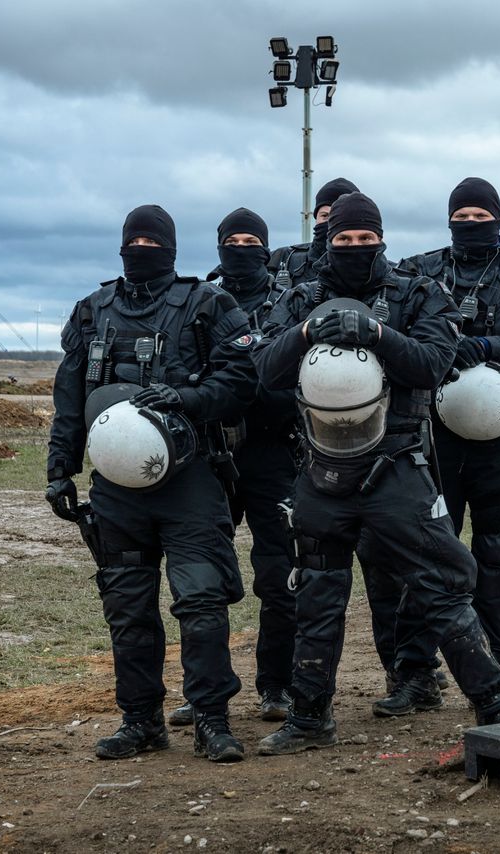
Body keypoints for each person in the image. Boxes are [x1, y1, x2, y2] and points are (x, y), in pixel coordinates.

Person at [251, 191, 500, 755]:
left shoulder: (418, 294)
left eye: (364, 239)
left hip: (396, 467)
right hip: (322, 472)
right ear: (330, 240)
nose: (354, 248)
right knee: (318, 594)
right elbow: (263, 371)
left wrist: (376, 333)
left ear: (381, 239)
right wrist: (307, 332)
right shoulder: (301, 297)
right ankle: (308, 716)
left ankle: (493, 699)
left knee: (442, 585)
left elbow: (432, 364)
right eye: (344, 239)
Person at [45, 204, 258, 763]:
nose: (142, 251)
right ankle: (140, 721)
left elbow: (242, 382)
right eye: (133, 242)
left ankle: (212, 720)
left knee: (202, 602)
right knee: (128, 609)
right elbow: (68, 397)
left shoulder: (209, 305)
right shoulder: (92, 312)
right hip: (116, 489)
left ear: (171, 249)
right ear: (121, 247)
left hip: (192, 483)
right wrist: (59, 470)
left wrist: (186, 399)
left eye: (151, 243)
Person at [367, 177, 500, 717]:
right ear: (448, 218)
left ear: (498, 218)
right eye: (462, 215)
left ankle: (494, 672)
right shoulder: (416, 272)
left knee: (496, 556)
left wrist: (478, 346)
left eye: (481, 215)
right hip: (428, 438)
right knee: (424, 558)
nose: (470, 224)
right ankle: (414, 675)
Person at [167, 207, 298, 728]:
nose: (241, 248)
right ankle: (205, 691)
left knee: (280, 574)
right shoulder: (199, 302)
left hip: (274, 452)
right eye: (232, 239)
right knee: (204, 578)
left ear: (266, 247)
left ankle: (277, 685)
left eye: (251, 240)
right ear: (219, 245)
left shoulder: (290, 302)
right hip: (211, 451)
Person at [267, 177, 360, 289]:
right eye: (325, 216)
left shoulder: (375, 266)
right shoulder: (282, 259)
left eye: (340, 216)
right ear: (316, 218)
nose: (331, 223)